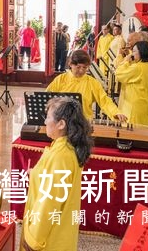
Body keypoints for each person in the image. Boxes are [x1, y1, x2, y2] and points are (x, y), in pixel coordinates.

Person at [21, 97, 93, 251]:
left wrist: (34, 240)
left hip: (49, 237)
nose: (45, 122)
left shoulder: (61, 156)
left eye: (48, 117)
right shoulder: (65, 146)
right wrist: (36, 174)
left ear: (61, 124)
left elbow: (50, 202)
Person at [46, 50, 127, 122]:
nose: (81, 71)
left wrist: (116, 112)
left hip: (84, 123)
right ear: (70, 64)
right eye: (78, 67)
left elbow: (104, 100)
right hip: (62, 121)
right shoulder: (61, 79)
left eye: (84, 67)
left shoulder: (92, 82)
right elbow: (48, 97)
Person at [115, 41, 148, 126]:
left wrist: (126, 61)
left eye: (134, 51)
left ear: (141, 52)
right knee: (142, 130)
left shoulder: (137, 68)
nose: (132, 54)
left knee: (132, 129)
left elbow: (119, 74)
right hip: (144, 103)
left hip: (134, 105)